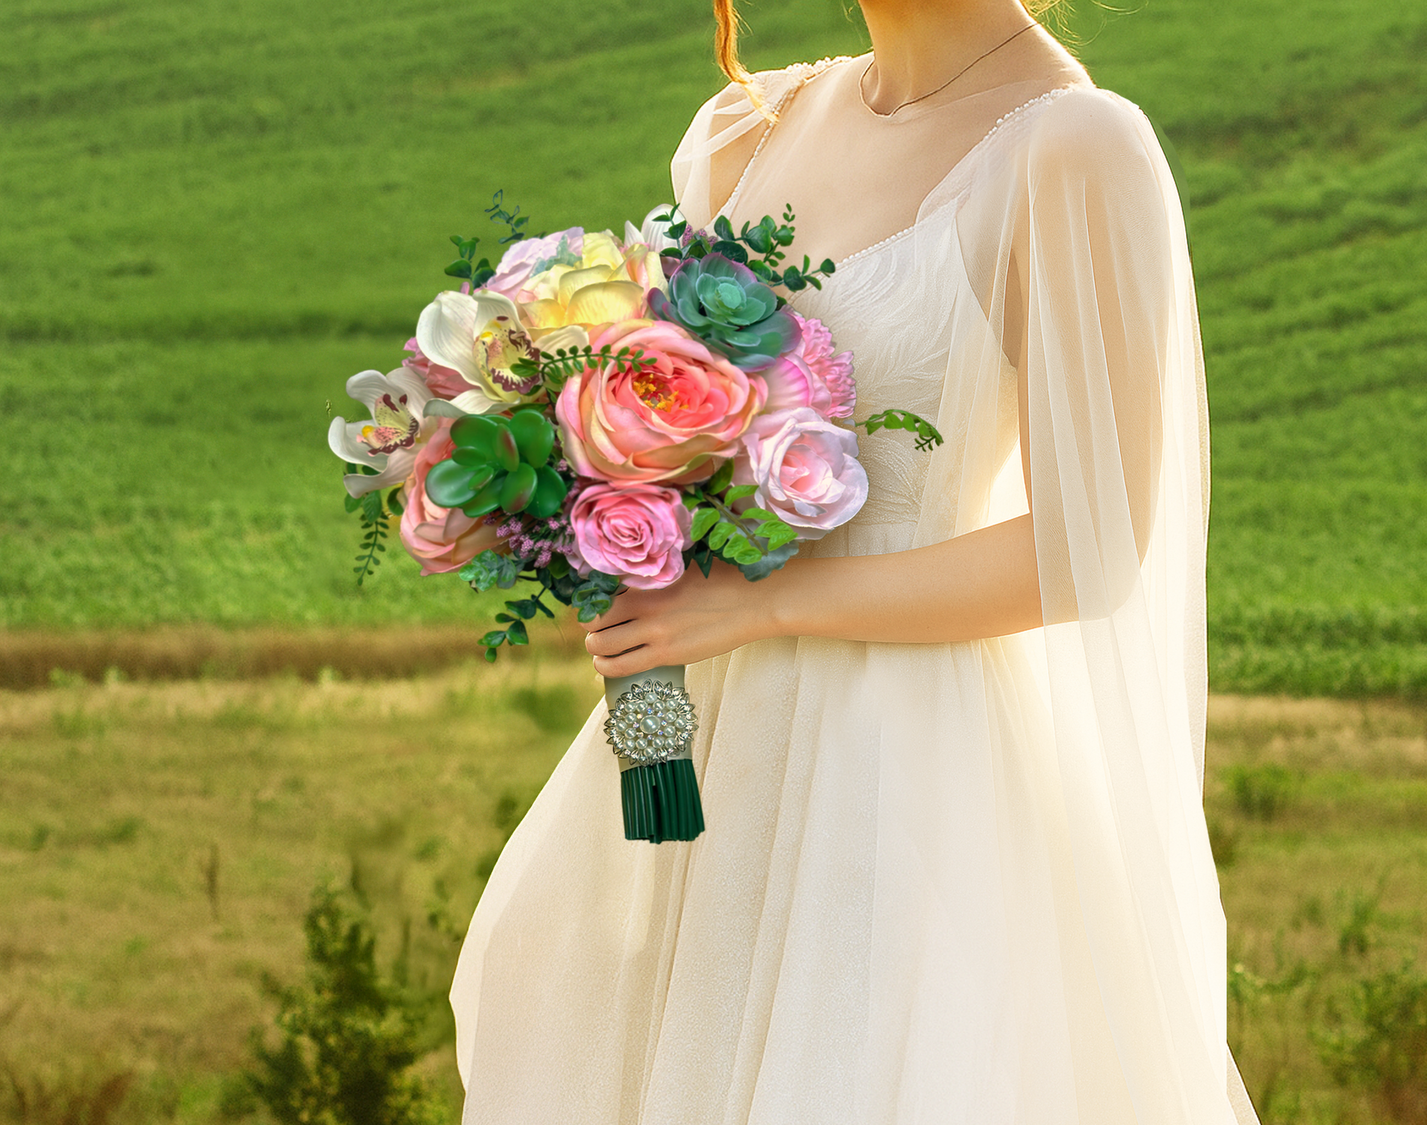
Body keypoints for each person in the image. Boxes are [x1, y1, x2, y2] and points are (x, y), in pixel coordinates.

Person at [452, 0, 1261, 1121]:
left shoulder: (1075, 148)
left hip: (905, 776)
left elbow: (1094, 547)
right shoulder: (748, 126)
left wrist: (766, 605)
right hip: (698, 751)